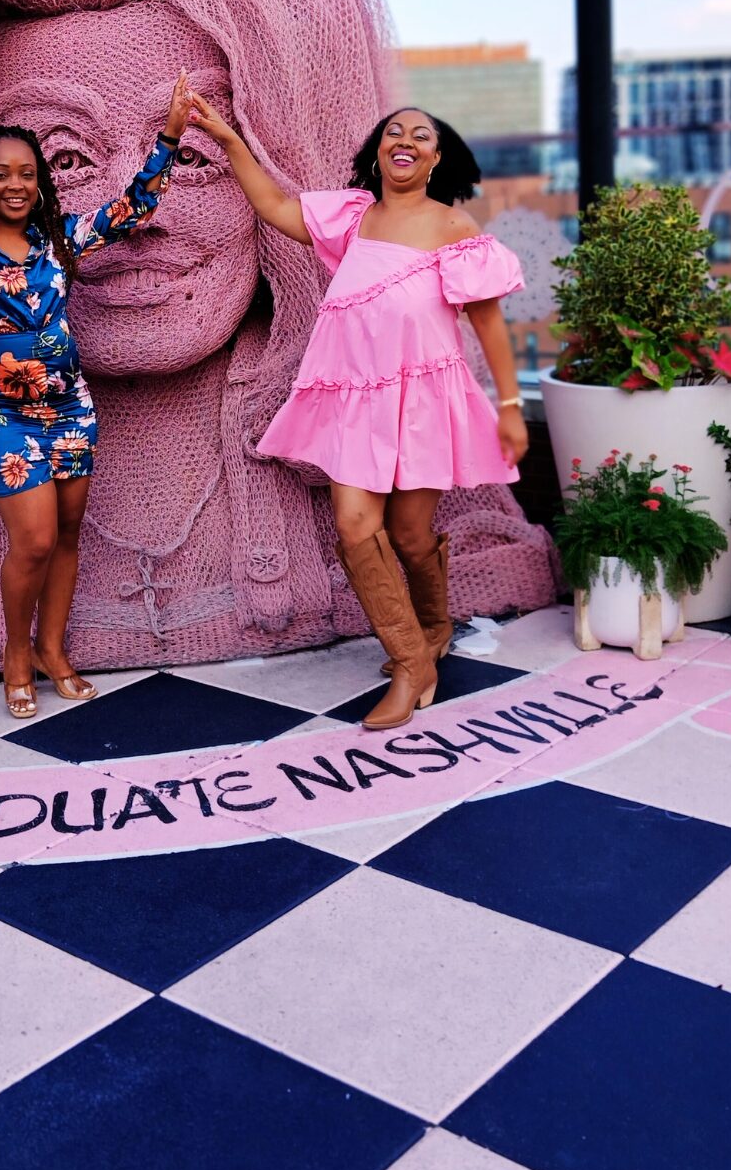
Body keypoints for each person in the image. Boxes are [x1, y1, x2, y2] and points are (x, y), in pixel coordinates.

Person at [186, 97, 529, 730]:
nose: (405, 139)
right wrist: (229, 138)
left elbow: (489, 325)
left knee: (411, 535)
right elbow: (274, 206)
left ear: (436, 156)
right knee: (353, 524)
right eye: (393, 132)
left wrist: (510, 407)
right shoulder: (352, 217)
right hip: (355, 402)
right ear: (378, 152)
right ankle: (410, 661)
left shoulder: (454, 228)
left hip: (424, 403)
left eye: (420, 134)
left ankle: (433, 629)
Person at [0, 72, 194, 716]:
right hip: (0, 417)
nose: (14, 185)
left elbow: (133, 211)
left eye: (25, 172)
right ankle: (16, 656)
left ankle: (53, 649)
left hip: (70, 410)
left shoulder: (57, 239)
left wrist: (171, 135)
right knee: (35, 541)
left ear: (38, 178)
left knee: (68, 535)